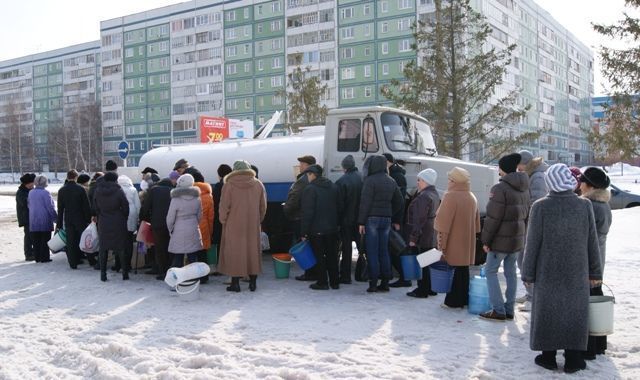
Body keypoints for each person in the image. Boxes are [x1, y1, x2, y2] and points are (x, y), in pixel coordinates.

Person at [522, 163, 602, 374]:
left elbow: (532, 244)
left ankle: (547, 357)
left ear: (550, 182)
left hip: (547, 272)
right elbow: (592, 243)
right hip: (577, 271)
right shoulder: (584, 206)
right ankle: (574, 359)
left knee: (548, 312)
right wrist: (595, 272)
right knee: (574, 313)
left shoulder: (540, 206)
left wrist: (528, 272)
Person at [479, 153, 530, 321]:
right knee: (510, 273)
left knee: (490, 271)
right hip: (516, 238)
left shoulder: (499, 189)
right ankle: (509, 309)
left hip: (500, 240)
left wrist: (486, 240)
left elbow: (493, 218)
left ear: (502, 169)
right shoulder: (524, 186)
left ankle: (498, 309)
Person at [434, 167, 481, 308]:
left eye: (450, 179)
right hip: (468, 242)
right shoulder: (472, 196)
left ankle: (452, 301)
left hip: (453, 241)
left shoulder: (450, 196)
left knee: (454, 272)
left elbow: (442, 224)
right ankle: (463, 299)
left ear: (453, 181)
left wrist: (441, 245)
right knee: (463, 271)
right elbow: (477, 224)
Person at [579, 167, 612, 360]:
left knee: (587, 303)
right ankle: (599, 343)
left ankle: (589, 347)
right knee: (595, 298)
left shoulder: (589, 205)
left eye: (582, 181)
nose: (579, 184)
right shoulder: (603, 204)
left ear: (590, 185)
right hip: (598, 260)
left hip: (588, 261)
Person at [357, 155, 405, 293]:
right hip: (386, 220)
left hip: (371, 219)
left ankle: (373, 283)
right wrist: (390, 212)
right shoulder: (391, 181)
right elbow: (400, 201)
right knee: (384, 251)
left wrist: (361, 221)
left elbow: (364, 203)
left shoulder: (369, 181)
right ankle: (385, 283)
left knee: (372, 252)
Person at [218, 160, 267, 292]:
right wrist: (258, 220)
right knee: (252, 252)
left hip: (233, 224)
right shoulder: (258, 184)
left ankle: (235, 284)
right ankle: (252, 283)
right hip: (252, 224)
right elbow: (263, 207)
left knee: (235, 252)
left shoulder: (229, 185)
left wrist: (223, 220)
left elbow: (224, 206)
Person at [516, 150, 549, 311]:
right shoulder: (532, 175)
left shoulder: (538, 177)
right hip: (527, 223)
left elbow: (537, 202)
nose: (518, 169)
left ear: (526, 163)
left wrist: (520, 207)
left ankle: (534, 298)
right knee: (522, 260)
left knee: (527, 261)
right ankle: (530, 294)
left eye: (519, 165)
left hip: (532, 226)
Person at [301, 164, 340, 290]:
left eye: (308, 175)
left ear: (312, 174)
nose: (307, 177)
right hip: (332, 229)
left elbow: (308, 213)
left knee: (319, 256)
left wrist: (304, 232)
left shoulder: (310, 189)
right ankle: (335, 282)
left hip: (316, 230)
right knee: (332, 255)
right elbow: (340, 207)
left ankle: (322, 282)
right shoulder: (333, 187)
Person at [405, 168, 441, 298]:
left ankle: (422, 289)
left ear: (426, 181)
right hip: (432, 232)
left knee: (423, 262)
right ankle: (430, 287)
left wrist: (413, 237)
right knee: (429, 262)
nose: (417, 182)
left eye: (419, 180)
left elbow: (419, 219)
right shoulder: (434, 194)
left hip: (424, 233)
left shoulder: (424, 197)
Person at [283, 155, 318, 281]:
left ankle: (310, 272)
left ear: (308, 166)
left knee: (304, 246)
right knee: (311, 246)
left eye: (302, 164)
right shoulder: (316, 178)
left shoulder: (303, 180)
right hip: (310, 217)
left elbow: (294, 197)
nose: (300, 166)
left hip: (299, 217)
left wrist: (286, 209)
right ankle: (313, 271)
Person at [94, 172, 130, 281]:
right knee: (121, 248)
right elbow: (125, 207)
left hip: (103, 222)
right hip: (118, 222)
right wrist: (123, 216)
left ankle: (103, 275)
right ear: (115, 180)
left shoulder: (98, 191)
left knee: (103, 248)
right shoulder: (119, 190)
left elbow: (95, 207)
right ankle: (125, 273)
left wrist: (101, 215)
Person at [140, 173, 175, 280]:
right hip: (172, 224)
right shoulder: (173, 191)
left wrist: (144, 219)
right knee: (171, 247)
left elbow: (146, 207)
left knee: (160, 248)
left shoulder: (154, 190)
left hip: (157, 224)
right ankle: (172, 270)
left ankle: (162, 272)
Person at [335, 155, 363, 284]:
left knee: (346, 249)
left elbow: (339, 205)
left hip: (346, 220)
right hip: (361, 220)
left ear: (344, 167)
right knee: (362, 248)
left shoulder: (341, 181)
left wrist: (338, 220)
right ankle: (362, 273)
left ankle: (345, 276)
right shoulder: (363, 178)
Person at [57, 170, 92, 269]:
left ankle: (73, 263)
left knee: (70, 241)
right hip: (80, 218)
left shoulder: (62, 190)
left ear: (67, 177)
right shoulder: (80, 189)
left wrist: (59, 224)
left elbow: (60, 209)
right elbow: (86, 206)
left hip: (68, 218)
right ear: (76, 177)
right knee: (85, 239)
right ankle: (91, 260)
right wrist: (88, 219)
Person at [166, 174, 203, 269]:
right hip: (193, 228)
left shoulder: (176, 199)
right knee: (193, 257)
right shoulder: (197, 198)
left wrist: (171, 229)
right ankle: (194, 278)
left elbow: (170, 218)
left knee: (178, 256)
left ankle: (177, 279)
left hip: (179, 228)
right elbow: (200, 216)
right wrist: (195, 224)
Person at [27, 175, 57, 263]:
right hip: (44, 218)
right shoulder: (46, 193)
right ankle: (44, 257)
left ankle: (37, 257)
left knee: (36, 240)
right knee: (45, 239)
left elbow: (29, 204)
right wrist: (55, 218)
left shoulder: (31, 192)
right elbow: (50, 207)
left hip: (33, 218)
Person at [192, 170, 214, 284]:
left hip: (191, 225)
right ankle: (204, 277)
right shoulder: (208, 195)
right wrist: (210, 230)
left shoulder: (189, 193)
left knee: (191, 253)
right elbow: (211, 216)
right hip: (204, 225)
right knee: (203, 253)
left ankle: (192, 275)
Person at [117, 175, 141, 273]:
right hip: (131, 214)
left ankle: (119, 264)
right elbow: (138, 205)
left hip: (119, 215)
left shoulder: (117, 189)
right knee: (129, 241)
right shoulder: (133, 189)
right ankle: (128, 264)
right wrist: (139, 217)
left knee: (119, 241)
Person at [212, 164, 233, 270]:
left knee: (221, 242)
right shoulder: (233, 184)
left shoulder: (219, 186)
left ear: (220, 175)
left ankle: (222, 265)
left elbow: (215, 203)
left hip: (220, 217)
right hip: (233, 218)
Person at [16, 173, 36, 261]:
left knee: (32, 236)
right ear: (27, 183)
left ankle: (33, 252)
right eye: (32, 183)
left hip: (31, 216)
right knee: (28, 236)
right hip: (26, 217)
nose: (33, 184)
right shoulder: (21, 192)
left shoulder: (29, 190)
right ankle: (28, 254)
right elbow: (24, 203)